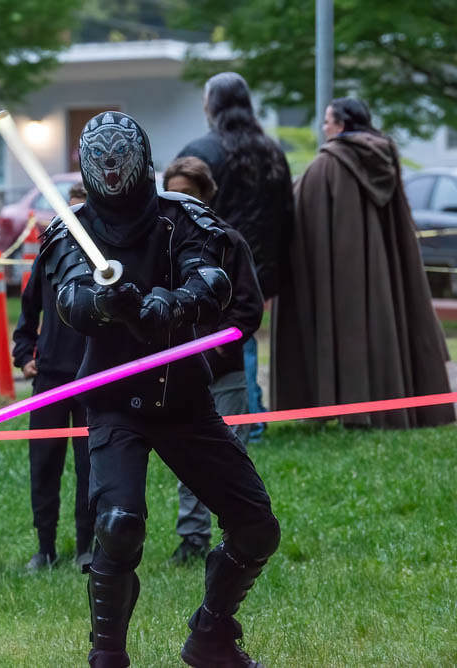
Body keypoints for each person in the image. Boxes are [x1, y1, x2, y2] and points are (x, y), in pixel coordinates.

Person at [41, 111, 280, 667]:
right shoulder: (72, 229)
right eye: (102, 165)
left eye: (121, 162)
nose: (113, 173)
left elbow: (211, 276)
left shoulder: (180, 217)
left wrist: (176, 301)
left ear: (143, 162)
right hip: (114, 402)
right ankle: (108, 656)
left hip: (183, 399)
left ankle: (212, 635)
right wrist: (105, 302)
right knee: (118, 525)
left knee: (256, 527)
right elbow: (70, 298)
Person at [271, 97, 455, 428]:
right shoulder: (385, 157)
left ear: (341, 125)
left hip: (342, 275)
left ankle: (356, 411)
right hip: (385, 268)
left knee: (351, 330)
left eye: (327, 121)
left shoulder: (328, 165)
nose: (324, 127)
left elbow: (302, 215)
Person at [177, 72, 295, 442]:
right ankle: (252, 414)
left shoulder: (202, 152)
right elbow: (286, 213)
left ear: (213, 105)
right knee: (243, 336)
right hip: (262, 266)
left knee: (229, 338)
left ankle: (248, 418)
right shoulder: (272, 151)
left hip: (217, 264)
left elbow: (182, 211)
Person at [161, 157, 264, 565]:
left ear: (206, 196)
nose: (179, 202)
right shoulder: (161, 245)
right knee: (189, 460)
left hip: (224, 373)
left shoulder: (228, 241)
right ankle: (192, 539)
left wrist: (215, 346)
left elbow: (248, 309)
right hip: (180, 375)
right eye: (171, 193)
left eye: (187, 194)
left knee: (230, 457)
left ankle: (240, 534)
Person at [12, 180, 93, 571]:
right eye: (72, 212)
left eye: (85, 213)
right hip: (51, 378)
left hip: (94, 379)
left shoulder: (106, 262)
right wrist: (24, 355)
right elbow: (28, 316)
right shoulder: (50, 254)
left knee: (90, 466)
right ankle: (44, 548)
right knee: (44, 464)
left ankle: (86, 548)